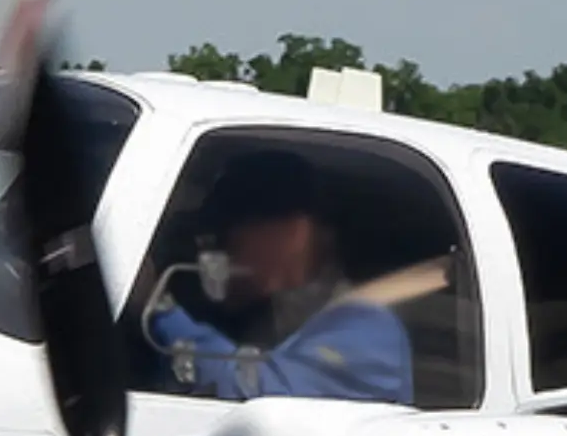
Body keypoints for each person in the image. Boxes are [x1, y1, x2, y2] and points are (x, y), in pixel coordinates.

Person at [144, 148, 416, 405]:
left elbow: (256, 392)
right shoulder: (272, 315)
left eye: (229, 234)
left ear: (293, 233)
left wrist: (159, 309)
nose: (218, 254)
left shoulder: (367, 330)